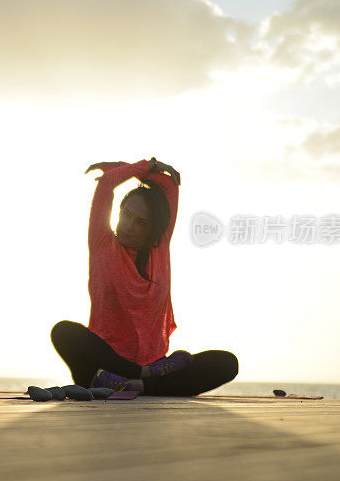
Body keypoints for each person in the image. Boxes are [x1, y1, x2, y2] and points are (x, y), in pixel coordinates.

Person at [50, 158, 237, 396]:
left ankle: (136, 385)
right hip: (107, 366)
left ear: (153, 229)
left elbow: (170, 186)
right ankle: (143, 378)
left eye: (141, 223)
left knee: (226, 363)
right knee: (64, 331)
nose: (128, 226)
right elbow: (108, 183)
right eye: (126, 215)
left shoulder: (160, 247)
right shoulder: (102, 243)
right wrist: (145, 166)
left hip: (151, 365)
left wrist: (137, 168)